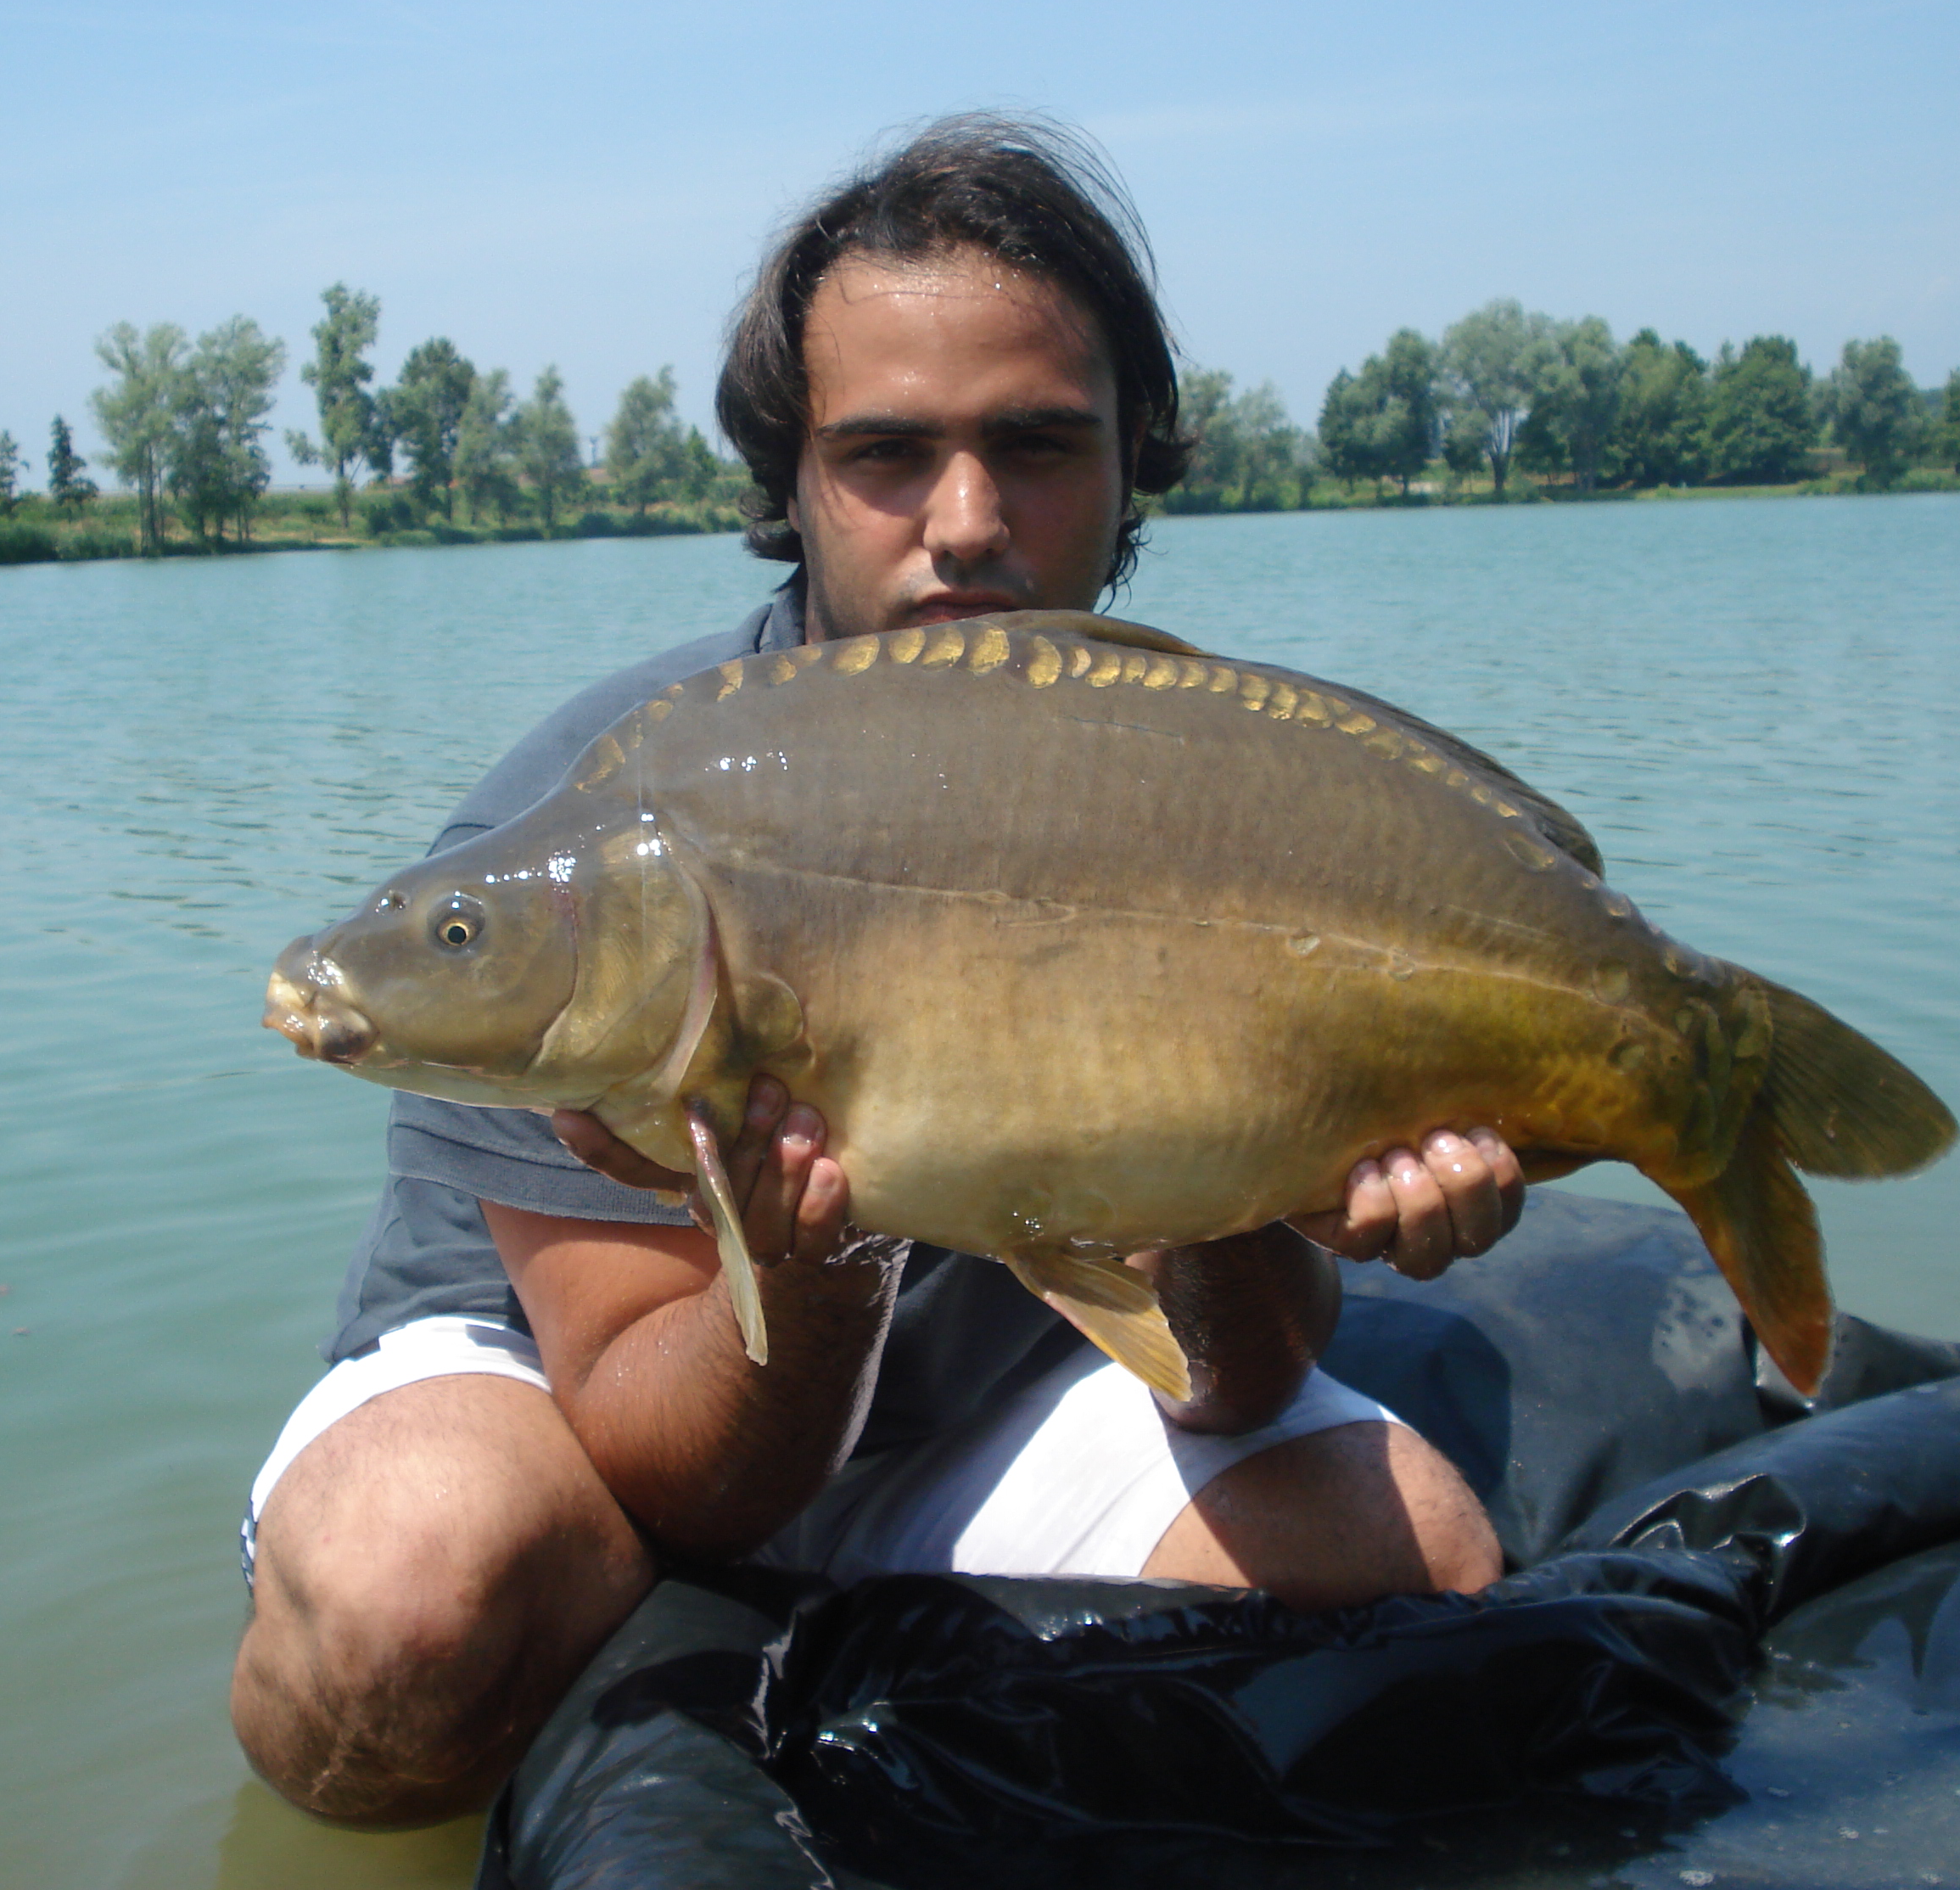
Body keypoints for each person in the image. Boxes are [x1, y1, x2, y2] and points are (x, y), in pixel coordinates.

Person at [232, 115, 1523, 1831]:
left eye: (1038, 446)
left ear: (1134, 462)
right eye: (888, 456)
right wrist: (817, 1260)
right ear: (792, 483)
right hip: (590, 1404)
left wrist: (1271, 1181)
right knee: (404, 1607)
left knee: (1413, 1567)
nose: (966, 525)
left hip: (978, 1397)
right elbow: (670, 1467)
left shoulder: (1219, 799)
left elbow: (1248, 1375)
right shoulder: (601, 824)